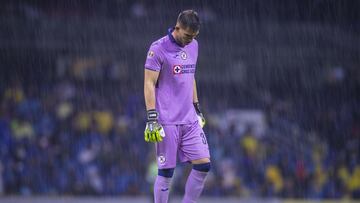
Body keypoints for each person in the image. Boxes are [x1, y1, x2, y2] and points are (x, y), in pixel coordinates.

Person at [143, 10, 211, 203]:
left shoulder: (194, 46)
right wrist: (152, 117)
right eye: (188, 35)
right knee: (166, 173)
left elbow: (191, 77)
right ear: (177, 27)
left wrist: (196, 107)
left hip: (189, 119)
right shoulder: (158, 48)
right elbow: (148, 83)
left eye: (194, 36)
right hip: (167, 121)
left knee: (203, 165)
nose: (190, 40)